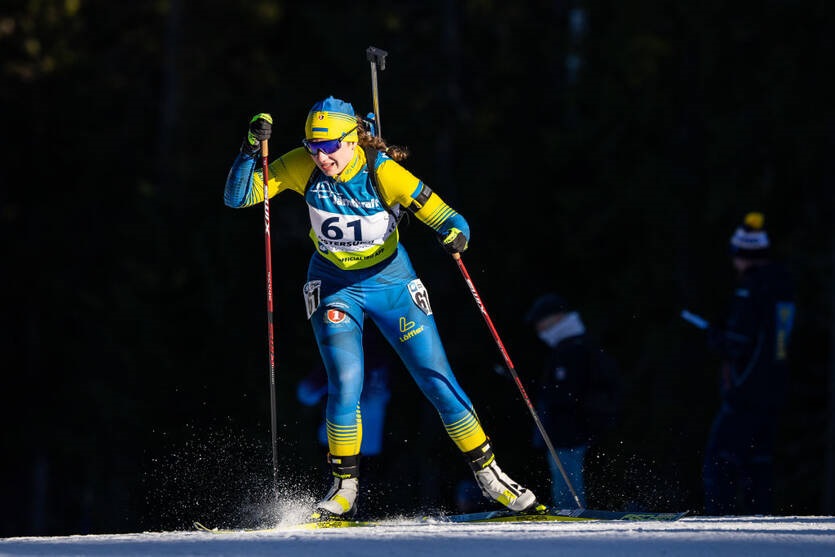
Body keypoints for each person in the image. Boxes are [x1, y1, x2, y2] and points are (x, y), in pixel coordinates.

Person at [223, 96, 540, 520]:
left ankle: (490, 476)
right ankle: (344, 490)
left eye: (329, 146)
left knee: (435, 377)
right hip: (334, 285)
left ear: (352, 140)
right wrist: (250, 148)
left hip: (391, 284)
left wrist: (454, 234)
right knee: (345, 382)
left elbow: (449, 217)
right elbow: (239, 197)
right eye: (313, 146)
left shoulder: (382, 171)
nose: (321, 157)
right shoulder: (302, 165)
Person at [701, 212, 796, 515]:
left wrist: (717, 337)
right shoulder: (783, 285)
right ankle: (760, 521)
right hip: (775, 388)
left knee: (719, 458)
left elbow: (737, 343)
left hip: (745, 393)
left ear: (743, 254)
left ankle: (718, 521)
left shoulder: (752, 288)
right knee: (759, 462)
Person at [524, 293, 622, 509]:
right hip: (569, 429)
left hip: (571, 431)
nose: (539, 327)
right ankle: (572, 511)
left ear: (557, 317)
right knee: (566, 476)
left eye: (541, 320)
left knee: (568, 480)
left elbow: (570, 392)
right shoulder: (569, 346)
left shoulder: (575, 348)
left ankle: (572, 513)